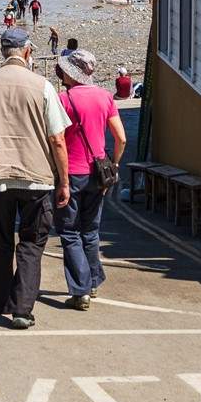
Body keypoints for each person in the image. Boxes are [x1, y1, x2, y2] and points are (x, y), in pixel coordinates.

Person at [0, 28, 69, 328]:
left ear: (3, 52)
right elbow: (58, 139)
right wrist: (64, 181)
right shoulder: (43, 86)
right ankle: (22, 308)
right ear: (26, 51)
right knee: (31, 243)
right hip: (37, 178)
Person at [53, 49, 126, 310]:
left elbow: (57, 139)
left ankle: (80, 289)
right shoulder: (106, 97)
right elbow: (121, 138)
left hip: (71, 172)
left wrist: (60, 178)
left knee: (69, 231)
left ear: (70, 72)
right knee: (91, 230)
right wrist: (114, 164)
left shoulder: (63, 99)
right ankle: (93, 281)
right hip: (98, 172)